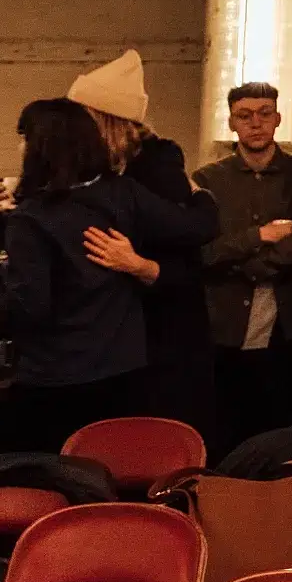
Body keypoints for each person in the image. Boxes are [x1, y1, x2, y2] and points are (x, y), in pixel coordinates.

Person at [0, 98, 222, 453]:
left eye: (23, 137)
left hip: (55, 379)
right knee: (118, 476)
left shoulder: (31, 219)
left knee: (60, 486)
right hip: (126, 372)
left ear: (39, 146)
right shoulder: (123, 193)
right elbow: (200, 226)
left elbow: (31, 309)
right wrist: (201, 196)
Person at [66, 50, 220, 436]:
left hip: (166, 331)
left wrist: (138, 265)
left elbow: (189, 243)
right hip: (123, 330)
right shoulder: (97, 164)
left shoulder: (155, 162)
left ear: (103, 119)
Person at [197, 83, 292, 452]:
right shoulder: (208, 180)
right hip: (228, 328)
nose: (255, 123)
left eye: (264, 113)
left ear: (277, 119)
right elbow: (203, 252)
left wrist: (249, 266)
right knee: (232, 432)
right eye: (245, 115)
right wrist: (259, 235)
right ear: (231, 122)